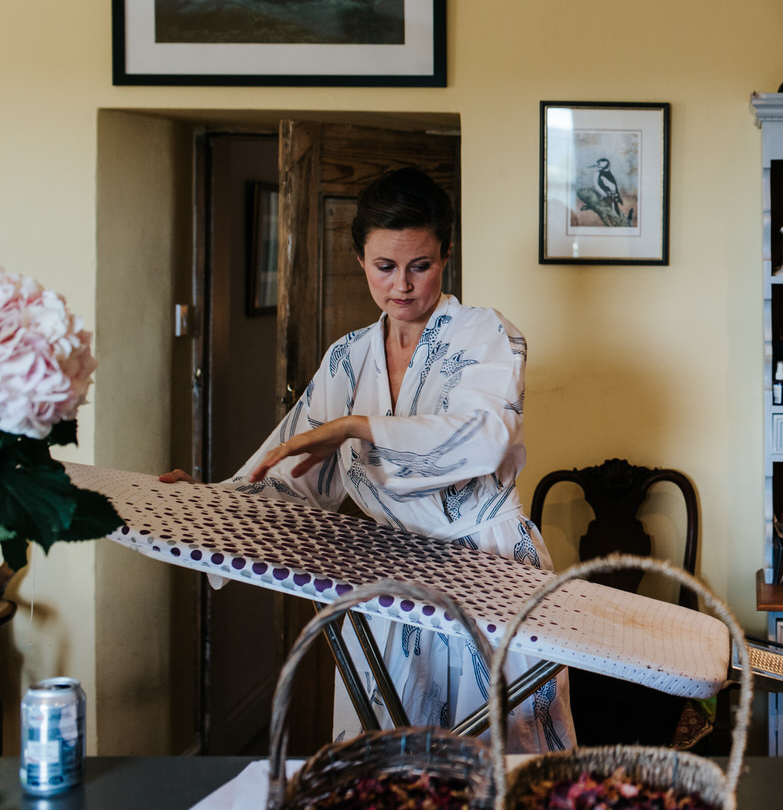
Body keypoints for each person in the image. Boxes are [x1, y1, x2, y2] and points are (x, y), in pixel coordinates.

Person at [161, 167, 573, 752]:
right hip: (393, 576)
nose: (401, 286)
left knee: (507, 751)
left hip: (491, 566)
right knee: (392, 756)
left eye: (420, 265)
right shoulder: (346, 360)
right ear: (360, 260)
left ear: (447, 255)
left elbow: (485, 439)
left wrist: (356, 426)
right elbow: (288, 473)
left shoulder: (488, 336)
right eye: (385, 267)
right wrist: (202, 505)